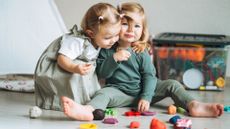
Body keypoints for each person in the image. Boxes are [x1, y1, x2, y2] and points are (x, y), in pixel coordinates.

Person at [61, 2, 224, 121]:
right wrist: (113, 59)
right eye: (125, 24)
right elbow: (102, 74)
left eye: (137, 26)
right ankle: (88, 111)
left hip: (144, 91)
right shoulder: (107, 49)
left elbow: (150, 76)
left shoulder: (141, 51)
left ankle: (194, 105)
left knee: (172, 84)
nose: (131, 30)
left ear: (143, 30)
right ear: (117, 24)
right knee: (103, 93)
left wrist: (146, 97)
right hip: (120, 93)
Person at [34, 3, 122, 111]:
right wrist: (74, 68)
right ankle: (67, 102)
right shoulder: (77, 42)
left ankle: (88, 103)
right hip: (62, 67)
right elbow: (62, 59)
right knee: (78, 72)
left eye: (117, 35)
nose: (113, 40)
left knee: (88, 75)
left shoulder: (101, 40)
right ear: (91, 33)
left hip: (81, 69)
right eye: (108, 37)